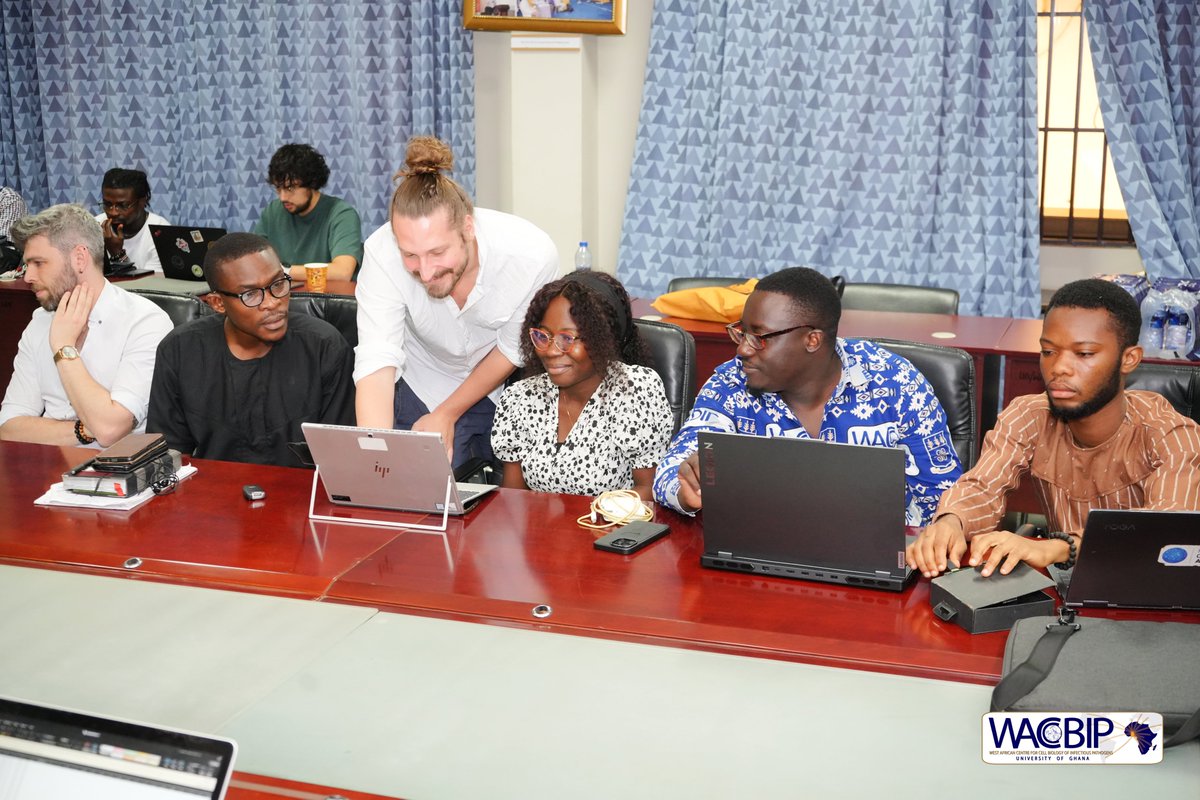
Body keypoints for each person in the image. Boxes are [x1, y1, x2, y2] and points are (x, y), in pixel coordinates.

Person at [907, 278, 1200, 579]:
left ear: (1129, 359)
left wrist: (1060, 548)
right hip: (1062, 595)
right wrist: (951, 522)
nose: (1059, 368)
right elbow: (982, 487)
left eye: (1084, 354)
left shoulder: (1171, 433)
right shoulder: (1028, 415)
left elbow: (1166, 532)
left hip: (1147, 593)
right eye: (1049, 352)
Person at [653, 266, 962, 520]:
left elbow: (944, 497)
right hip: (765, 560)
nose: (743, 348)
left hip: (879, 565)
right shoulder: (732, 382)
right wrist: (687, 490)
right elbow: (668, 472)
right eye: (741, 332)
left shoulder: (896, 384)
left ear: (812, 340)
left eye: (759, 337)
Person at [354, 135, 558, 469]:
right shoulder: (380, 253)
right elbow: (378, 359)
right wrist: (374, 453)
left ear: (468, 226)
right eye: (410, 255)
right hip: (420, 378)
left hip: (494, 383)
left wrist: (448, 412)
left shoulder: (531, 255)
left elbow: (511, 348)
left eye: (437, 252)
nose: (426, 270)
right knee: (406, 484)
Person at [147, 233, 355, 467]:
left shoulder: (323, 347)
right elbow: (169, 454)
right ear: (217, 303)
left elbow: (341, 456)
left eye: (278, 284)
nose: (272, 303)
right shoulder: (179, 351)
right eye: (251, 294)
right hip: (212, 494)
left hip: (303, 495)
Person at [0, 204, 172, 447]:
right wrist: (84, 430)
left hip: (118, 474)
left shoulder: (144, 322)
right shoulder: (39, 322)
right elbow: (8, 426)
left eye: (39, 263)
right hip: (48, 468)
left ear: (79, 258)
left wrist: (63, 347)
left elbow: (110, 429)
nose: (28, 276)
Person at [491, 271, 673, 499]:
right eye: (543, 336)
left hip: (611, 530)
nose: (551, 350)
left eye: (567, 338)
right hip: (540, 531)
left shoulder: (634, 390)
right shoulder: (520, 398)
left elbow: (648, 491)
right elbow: (513, 498)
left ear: (602, 339)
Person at [254, 143, 364, 283]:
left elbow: (342, 272)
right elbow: (253, 262)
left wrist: (283, 272)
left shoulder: (341, 214)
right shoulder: (272, 212)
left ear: (312, 183)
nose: (282, 197)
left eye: (290, 188)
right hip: (281, 298)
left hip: (324, 302)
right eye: (278, 188)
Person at [94, 168, 169, 274]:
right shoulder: (94, 227)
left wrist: (118, 254)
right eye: (107, 204)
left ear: (143, 201)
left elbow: (151, 286)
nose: (113, 212)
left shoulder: (160, 232)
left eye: (122, 205)